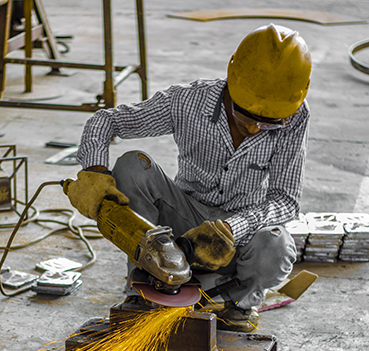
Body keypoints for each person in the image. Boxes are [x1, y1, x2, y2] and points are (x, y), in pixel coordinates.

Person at [65, 24, 311, 332]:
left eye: (269, 123)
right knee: (131, 166)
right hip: (182, 220)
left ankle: (235, 305)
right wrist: (94, 170)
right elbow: (106, 121)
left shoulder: (295, 116)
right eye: (245, 116)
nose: (253, 129)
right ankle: (145, 285)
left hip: (241, 233)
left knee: (276, 247)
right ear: (232, 79)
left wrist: (231, 228)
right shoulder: (189, 102)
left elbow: (286, 200)